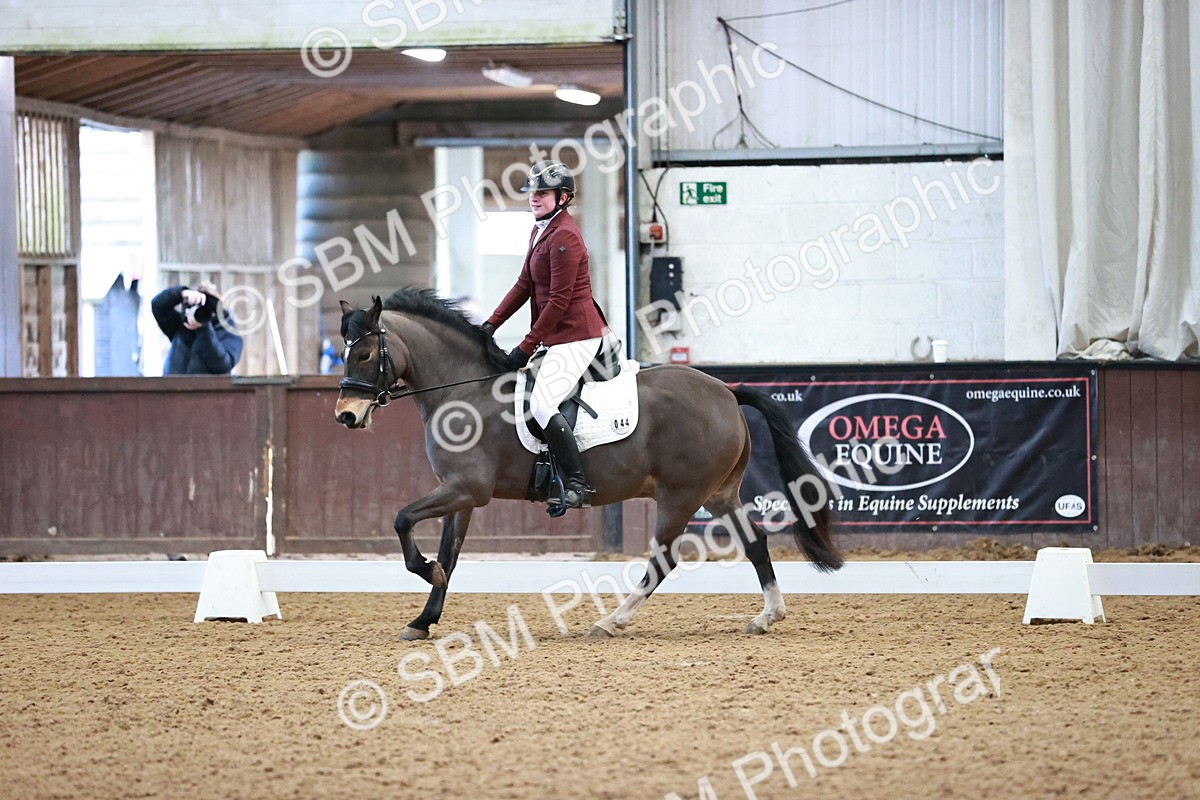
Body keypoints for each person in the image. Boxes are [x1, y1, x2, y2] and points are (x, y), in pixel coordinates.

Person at [482, 161, 616, 510]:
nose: (534, 199)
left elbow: (559, 300)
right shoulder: (541, 231)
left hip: (578, 336)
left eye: (542, 193)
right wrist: (490, 325)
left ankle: (576, 483)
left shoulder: (565, 236)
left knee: (542, 403)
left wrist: (525, 347)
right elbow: (524, 284)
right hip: (557, 337)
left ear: (563, 197)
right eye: (532, 193)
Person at [151, 282, 243, 375]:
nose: (200, 310)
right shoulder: (180, 326)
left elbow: (222, 365)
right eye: (197, 305)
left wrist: (204, 330)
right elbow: (157, 305)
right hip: (173, 388)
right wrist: (181, 293)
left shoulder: (228, 331)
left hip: (210, 389)